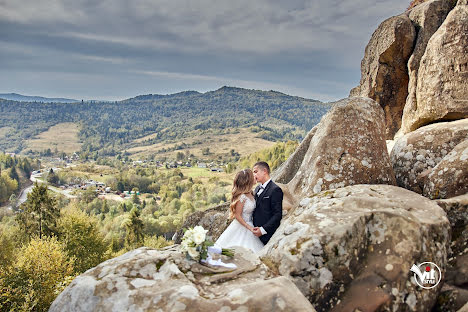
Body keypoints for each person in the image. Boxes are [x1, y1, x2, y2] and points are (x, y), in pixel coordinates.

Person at [215, 169, 264, 253]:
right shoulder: (242, 197)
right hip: (242, 226)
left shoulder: (251, 193)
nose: (255, 177)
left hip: (250, 223)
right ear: (248, 181)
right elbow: (237, 215)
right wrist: (250, 228)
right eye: (252, 176)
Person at [252, 161, 283, 245]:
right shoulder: (257, 189)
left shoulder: (275, 190)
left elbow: (277, 215)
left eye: (255, 172)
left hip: (267, 235)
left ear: (264, 171)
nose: (254, 175)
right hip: (254, 233)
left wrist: (262, 230)